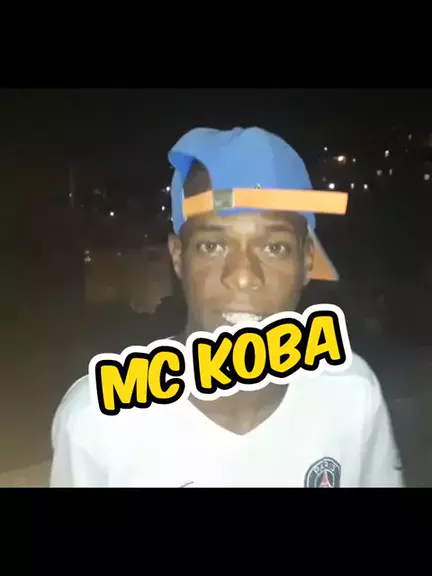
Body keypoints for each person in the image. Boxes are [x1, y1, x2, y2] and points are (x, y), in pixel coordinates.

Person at [50, 127, 404, 488]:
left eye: (275, 247)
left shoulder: (352, 394)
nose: (243, 277)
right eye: (212, 246)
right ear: (178, 257)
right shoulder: (97, 422)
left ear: (307, 262)